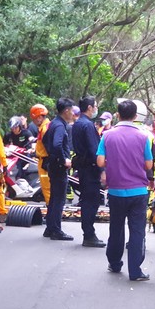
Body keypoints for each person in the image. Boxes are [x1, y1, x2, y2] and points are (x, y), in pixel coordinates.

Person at [97, 99, 153, 281]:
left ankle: (114, 264)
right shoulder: (144, 136)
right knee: (137, 231)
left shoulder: (107, 135)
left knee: (116, 228)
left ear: (118, 115)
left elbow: (99, 161)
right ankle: (135, 271)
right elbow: (148, 164)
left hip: (116, 191)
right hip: (138, 192)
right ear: (136, 116)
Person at [72, 96, 106, 248]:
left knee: (86, 200)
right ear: (90, 107)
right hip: (90, 168)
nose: (95, 109)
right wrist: (102, 169)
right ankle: (89, 234)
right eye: (95, 106)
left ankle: (88, 233)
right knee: (91, 202)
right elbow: (94, 150)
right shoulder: (88, 125)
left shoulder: (77, 123)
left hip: (82, 166)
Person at [42, 98, 75, 240]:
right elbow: (57, 144)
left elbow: (45, 140)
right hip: (58, 166)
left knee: (54, 197)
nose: (73, 113)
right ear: (66, 110)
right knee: (59, 199)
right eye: (72, 110)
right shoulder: (60, 126)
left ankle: (50, 228)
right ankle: (56, 230)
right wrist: (63, 160)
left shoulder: (53, 123)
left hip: (52, 164)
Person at [30, 104, 51, 205]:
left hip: (45, 161)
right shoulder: (45, 127)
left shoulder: (45, 129)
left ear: (39, 117)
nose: (33, 122)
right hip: (43, 160)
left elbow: (49, 147)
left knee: (47, 188)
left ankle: (51, 209)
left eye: (34, 119)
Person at [65, 106, 81, 203]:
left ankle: (69, 195)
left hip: (71, 152)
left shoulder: (70, 127)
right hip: (73, 151)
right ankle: (69, 194)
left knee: (69, 175)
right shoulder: (74, 126)